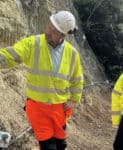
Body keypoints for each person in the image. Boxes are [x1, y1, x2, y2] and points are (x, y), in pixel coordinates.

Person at [0, 10, 84, 150]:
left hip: (59, 109)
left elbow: (77, 79)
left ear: (63, 35)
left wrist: (74, 99)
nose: (49, 30)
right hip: (38, 107)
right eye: (49, 25)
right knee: (48, 146)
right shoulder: (33, 43)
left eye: (54, 30)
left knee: (61, 145)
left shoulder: (72, 53)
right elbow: (9, 56)